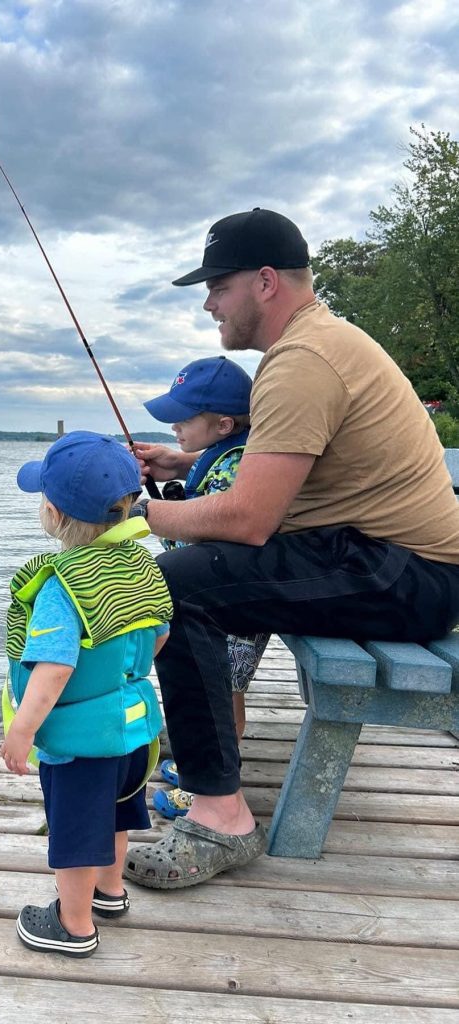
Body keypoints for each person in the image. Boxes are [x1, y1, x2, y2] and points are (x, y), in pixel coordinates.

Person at [124, 207, 459, 890]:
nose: (211, 304)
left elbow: (248, 519)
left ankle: (219, 817)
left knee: (175, 585)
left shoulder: (301, 362)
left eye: (218, 286)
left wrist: (138, 515)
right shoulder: (317, 345)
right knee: (199, 574)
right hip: (390, 560)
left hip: (407, 575)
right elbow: (271, 489)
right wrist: (175, 467)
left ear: (265, 282)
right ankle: (207, 767)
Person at [1, 431, 172, 956]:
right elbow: (161, 632)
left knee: (74, 831)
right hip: (136, 727)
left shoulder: (60, 585)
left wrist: (22, 729)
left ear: (52, 512)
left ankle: (74, 927)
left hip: (81, 741)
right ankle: (109, 890)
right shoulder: (143, 565)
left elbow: (54, 668)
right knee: (121, 810)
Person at [141, 355, 269, 818]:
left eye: (183, 418)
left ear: (223, 424)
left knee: (224, 691)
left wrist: (162, 516)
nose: (174, 426)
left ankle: (214, 781)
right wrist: (176, 484)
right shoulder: (228, 454)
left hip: (230, 607)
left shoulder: (236, 466)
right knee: (225, 690)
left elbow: (215, 532)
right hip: (223, 597)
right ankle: (210, 765)